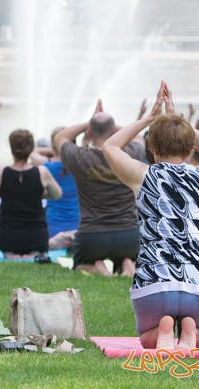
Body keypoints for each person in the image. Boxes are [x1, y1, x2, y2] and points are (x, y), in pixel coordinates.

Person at [103, 82, 199, 350]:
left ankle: (160, 330)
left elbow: (110, 146)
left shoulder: (143, 175)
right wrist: (179, 121)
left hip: (155, 283)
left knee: (147, 338)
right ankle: (193, 330)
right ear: (191, 150)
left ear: (153, 149)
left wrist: (149, 118)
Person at [54, 100, 145, 276]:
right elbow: (138, 138)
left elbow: (60, 137)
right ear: (115, 131)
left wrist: (90, 122)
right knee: (128, 256)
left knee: (80, 264)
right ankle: (128, 264)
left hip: (92, 236)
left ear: (89, 132)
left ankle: (98, 268)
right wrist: (114, 128)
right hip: (128, 235)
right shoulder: (130, 154)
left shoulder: (79, 157)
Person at [0, 129, 62, 258]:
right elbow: (57, 194)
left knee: (10, 253)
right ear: (31, 150)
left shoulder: (1, 172)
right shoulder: (42, 172)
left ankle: (12, 256)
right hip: (36, 238)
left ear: (12, 149)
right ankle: (31, 255)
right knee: (34, 253)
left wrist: (7, 192)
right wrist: (34, 193)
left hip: (7, 238)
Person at [29, 127, 80, 241]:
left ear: (53, 145)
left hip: (54, 226)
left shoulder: (46, 166)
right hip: (78, 226)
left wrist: (54, 150)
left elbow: (31, 152)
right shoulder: (82, 165)